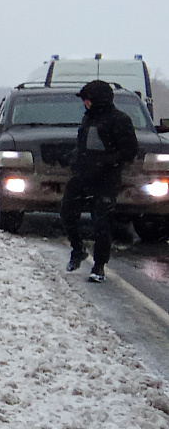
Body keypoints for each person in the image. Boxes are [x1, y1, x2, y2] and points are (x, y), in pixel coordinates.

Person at [60, 79, 139, 283]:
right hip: (82, 176)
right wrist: (69, 157)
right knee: (67, 213)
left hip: (106, 179)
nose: (85, 103)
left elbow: (130, 150)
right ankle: (78, 250)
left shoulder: (119, 120)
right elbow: (84, 147)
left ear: (98, 100)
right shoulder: (88, 119)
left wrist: (106, 162)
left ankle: (99, 266)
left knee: (101, 223)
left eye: (87, 99)